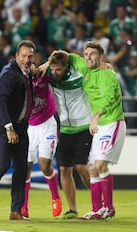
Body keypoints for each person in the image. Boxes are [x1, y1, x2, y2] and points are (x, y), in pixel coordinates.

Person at [0, 40, 35, 221]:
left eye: (30, 56)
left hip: (21, 125)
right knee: (3, 165)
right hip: (3, 124)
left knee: (21, 168)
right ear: (16, 56)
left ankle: (15, 211)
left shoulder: (26, 72)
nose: (27, 60)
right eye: (24, 56)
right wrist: (9, 128)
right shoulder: (9, 74)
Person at [39, 49, 92, 220]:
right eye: (52, 69)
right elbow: (36, 70)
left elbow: (93, 71)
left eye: (58, 70)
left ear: (66, 67)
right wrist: (48, 64)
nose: (55, 73)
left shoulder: (79, 73)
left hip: (84, 125)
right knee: (64, 169)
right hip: (64, 129)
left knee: (81, 167)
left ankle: (101, 204)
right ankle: (72, 210)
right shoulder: (50, 72)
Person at [79, 41, 126, 220]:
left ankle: (109, 208)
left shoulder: (108, 74)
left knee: (100, 165)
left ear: (101, 56)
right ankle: (97, 209)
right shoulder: (86, 71)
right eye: (86, 54)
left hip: (112, 122)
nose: (88, 57)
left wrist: (96, 117)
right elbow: (71, 59)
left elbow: (108, 98)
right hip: (99, 125)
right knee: (92, 168)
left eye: (92, 54)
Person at [21, 69, 61, 220]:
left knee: (44, 165)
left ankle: (55, 197)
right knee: (26, 166)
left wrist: (40, 68)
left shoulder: (42, 76)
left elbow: (54, 61)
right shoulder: (20, 83)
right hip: (30, 127)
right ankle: (23, 207)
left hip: (47, 124)